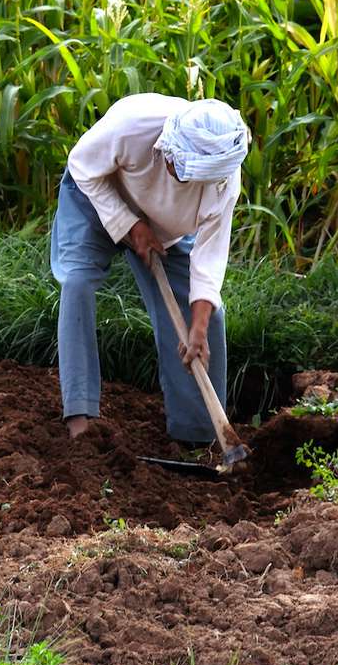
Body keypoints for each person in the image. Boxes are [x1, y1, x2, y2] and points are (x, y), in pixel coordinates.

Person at [50, 94, 250, 446]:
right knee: (78, 283)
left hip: (164, 233)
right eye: (176, 165)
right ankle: (80, 422)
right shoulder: (134, 124)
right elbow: (82, 165)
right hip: (96, 198)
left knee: (208, 318)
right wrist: (129, 223)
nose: (177, 174)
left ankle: (200, 436)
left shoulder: (223, 179)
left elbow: (210, 257)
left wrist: (198, 327)